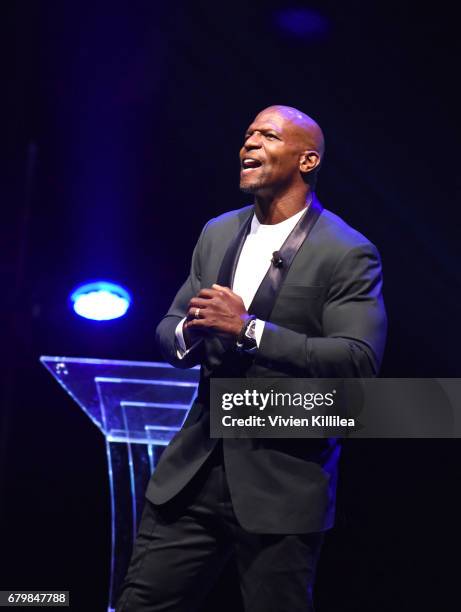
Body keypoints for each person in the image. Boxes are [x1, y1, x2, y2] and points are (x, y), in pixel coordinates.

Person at [116, 105, 387, 611]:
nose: (249, 144)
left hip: (280, 483)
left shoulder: (347, 251)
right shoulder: (217, 231)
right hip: (192, 475)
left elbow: (357, 360)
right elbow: (169, 327)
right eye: (247, 135)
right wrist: (189, 333)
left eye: (267, 135)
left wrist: (249, 329)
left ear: (307, 161)